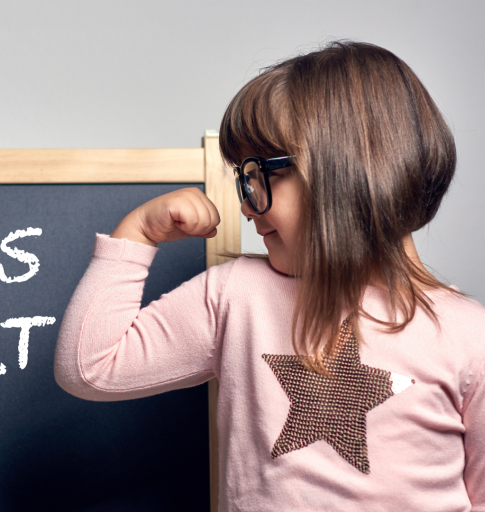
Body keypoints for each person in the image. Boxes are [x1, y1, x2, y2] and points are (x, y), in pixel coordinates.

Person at [53, 41, 485, 511]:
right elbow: (90, 369)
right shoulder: (237, 295)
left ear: (348, 172)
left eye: (261, 174)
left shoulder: (467, 336)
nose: (245, 202)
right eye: (243, 177)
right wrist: (136, 235)